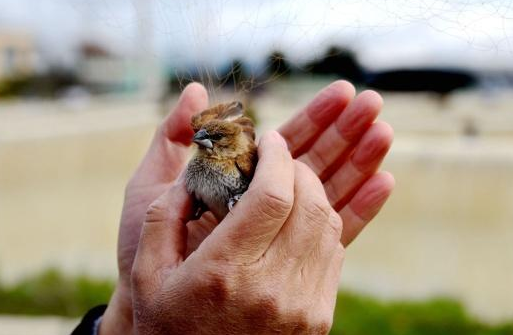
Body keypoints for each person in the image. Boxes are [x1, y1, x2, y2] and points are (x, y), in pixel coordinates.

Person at [73, 80, 394, 334]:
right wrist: (136, 307)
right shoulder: (196, 167)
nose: (202, 142)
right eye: (202, 137)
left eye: (213, 139)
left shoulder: (240, 162)